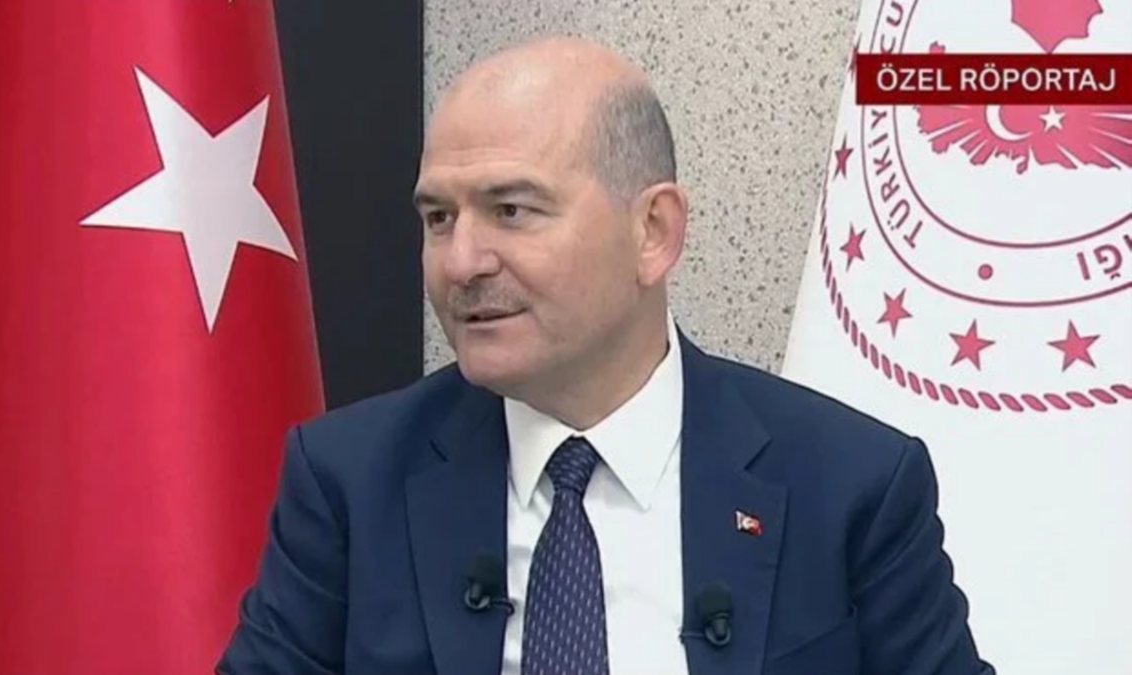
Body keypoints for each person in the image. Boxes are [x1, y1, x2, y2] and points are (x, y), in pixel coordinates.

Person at [218, 36, 992, 675]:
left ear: (653, 231)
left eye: (510, 209)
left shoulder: (851, 484)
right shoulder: (349, 481)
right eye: (439, 217)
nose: (461, 262)